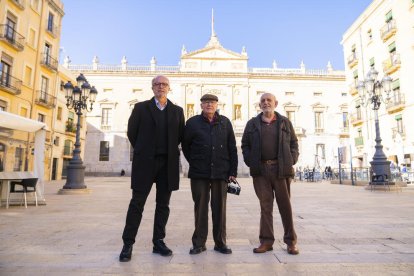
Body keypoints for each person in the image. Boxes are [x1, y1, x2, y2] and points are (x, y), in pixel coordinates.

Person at [119, 75, 185, 262]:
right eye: (157, 84)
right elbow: (132, 132)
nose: (160, 87)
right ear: (152, 88)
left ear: (169, 88)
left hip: (167, 164)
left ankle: (159, 241)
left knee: (163, 205)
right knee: (136, 204)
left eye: (164, 84)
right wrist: (143, 149)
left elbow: (180, 135)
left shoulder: (177, 111)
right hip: (145, 163)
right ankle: (127, 244)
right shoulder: (140, 108)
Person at [241, 93, 300, 255]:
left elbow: (294, 143)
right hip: (261, 171)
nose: (266, 103)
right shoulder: (252, 124)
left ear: (276, 103)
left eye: (269, 100)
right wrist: (249, 160)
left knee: (285, 207)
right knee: (265, 207)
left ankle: (291, 242)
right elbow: (245, 144)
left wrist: (291, 159)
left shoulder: (285, 122)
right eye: (263, 101)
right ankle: (266, 241)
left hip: (281, 170)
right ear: (259, 105)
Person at [182, 93, 238, 255]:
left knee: (220, 208)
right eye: (206, 102)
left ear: (217, 105)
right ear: (201, 105)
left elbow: (232, 148)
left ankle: (220, 243)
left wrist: (232, 171)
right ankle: (199, 243)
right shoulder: (192, 123)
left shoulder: (225, 123)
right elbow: (186, 146)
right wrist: (195, 161)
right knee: (200, 208)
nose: (209, 105)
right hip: (199, 173)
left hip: (221, 172)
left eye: (212, 103)